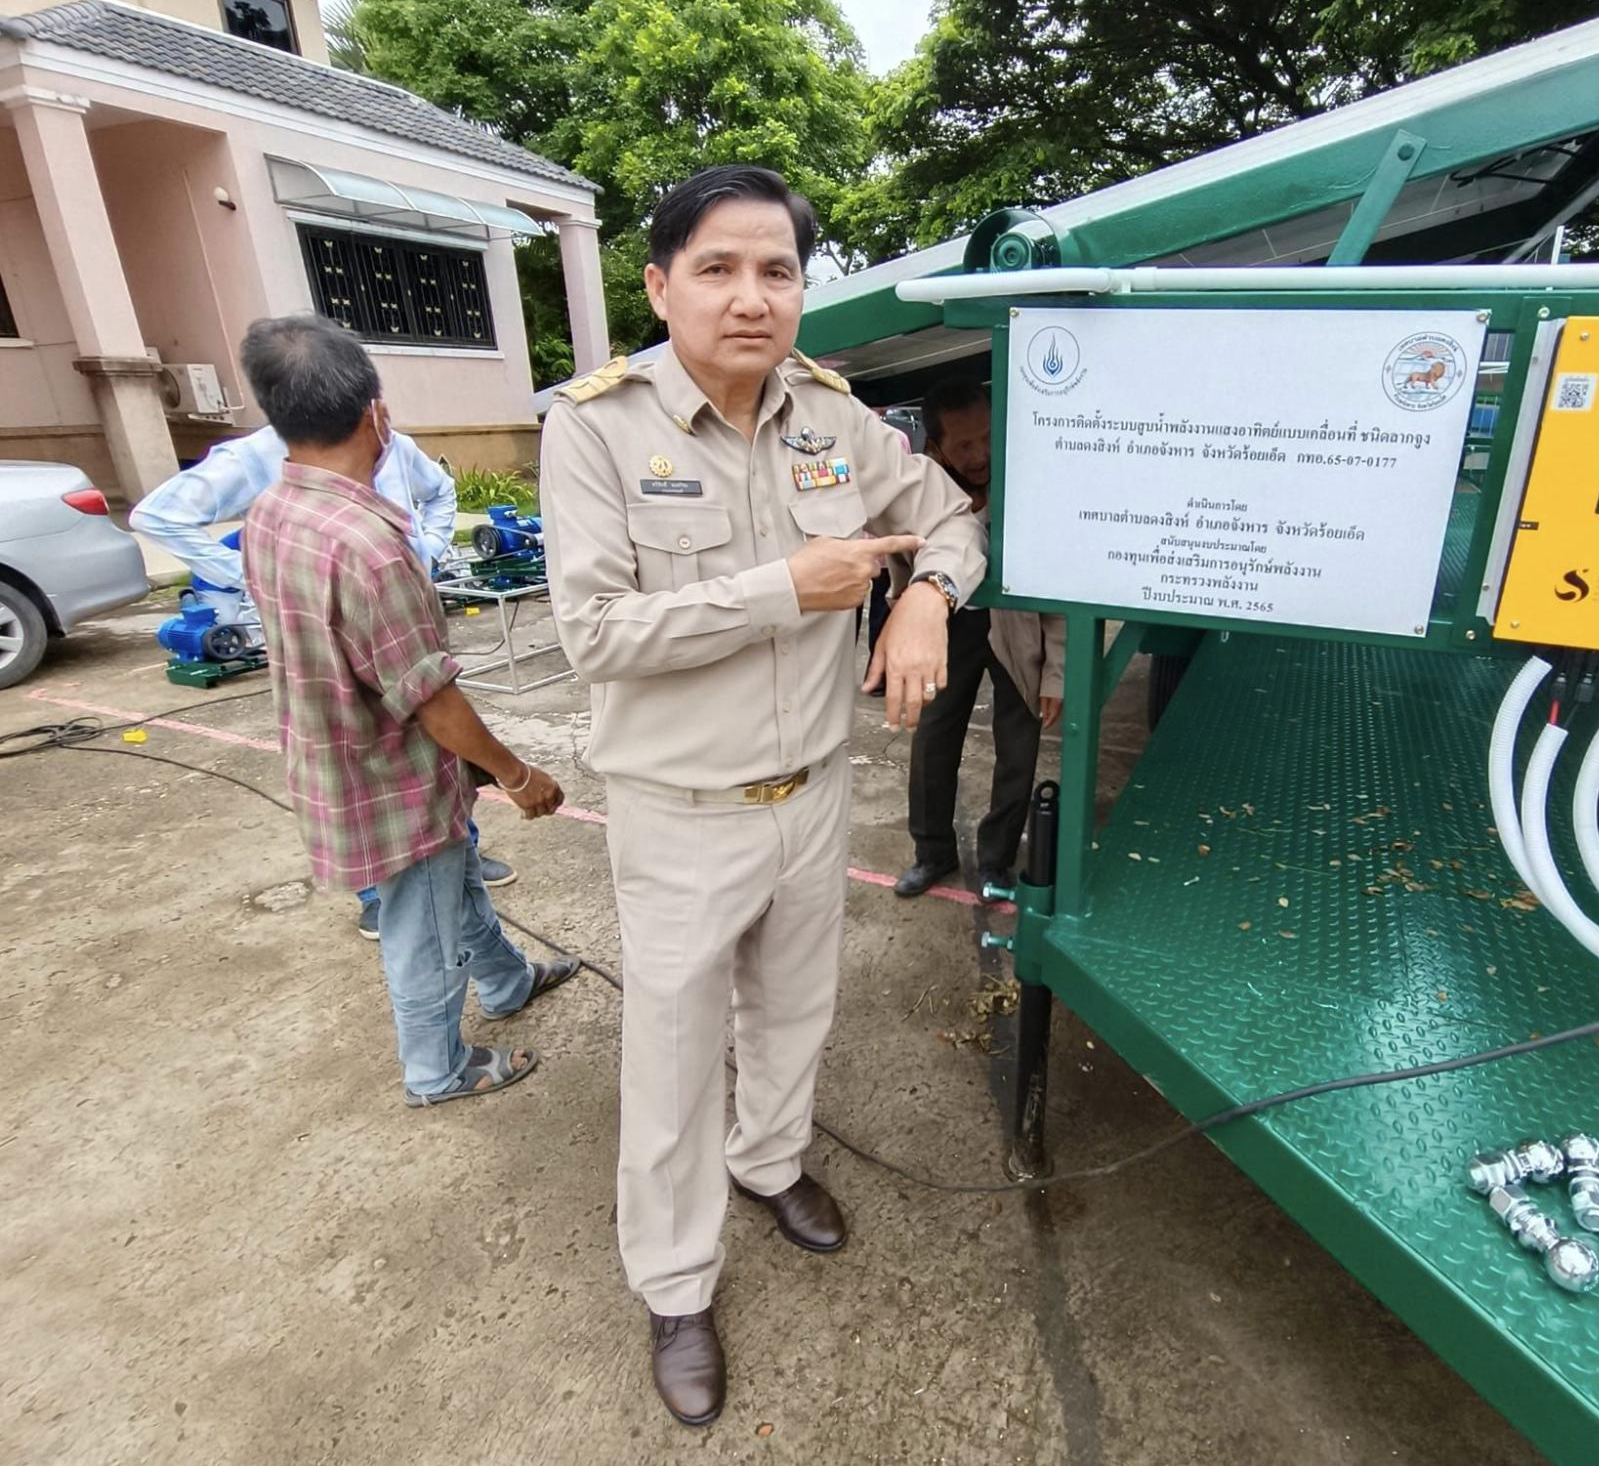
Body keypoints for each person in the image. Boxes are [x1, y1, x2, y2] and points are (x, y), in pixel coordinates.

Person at [538, 164, 984, 1429]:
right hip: (680, 807)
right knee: (673, 1059)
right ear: (660, 283)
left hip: (812, 799)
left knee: (794, 1014)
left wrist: (924, 597)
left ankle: (771, 1165)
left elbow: (954, 519)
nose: (751, 297)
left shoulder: (834, 420)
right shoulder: (597, 426)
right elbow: (595, 634)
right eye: (720, 269)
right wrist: (788, 587)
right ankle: (674, 1286)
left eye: (776, 272)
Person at [236, 315, 579, 1107]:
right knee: (419, 924)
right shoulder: (367, 542)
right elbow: (431, 699)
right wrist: (517, 773)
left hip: (331, 760)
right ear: (375, 415)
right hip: (391, 779)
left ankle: (505, 982)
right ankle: (436, 1069)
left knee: (453, 887)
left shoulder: (268, 515)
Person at [132, 415, 522, 939]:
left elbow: (440, 492)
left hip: (395, 611)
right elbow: (157, 516)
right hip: (334, 639)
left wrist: (424, 550)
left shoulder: (387, 456)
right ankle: (379, 893)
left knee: (431, 773)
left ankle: (491, 942)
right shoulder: (263, 473)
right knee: (359, 751)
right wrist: (245, 579)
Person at [892, 380, 1064, 898]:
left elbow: (1057, 584)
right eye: (964, 445)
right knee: (932, 742)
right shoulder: (920, 492)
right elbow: (902, 569)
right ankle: (932, 853)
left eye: (988, 437)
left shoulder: (1030, 485)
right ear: (937, 446)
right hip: (949, 628)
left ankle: (996, 863)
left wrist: (1056, 670)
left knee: (1019, 749)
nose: (980, 454)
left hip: (1018, 629)